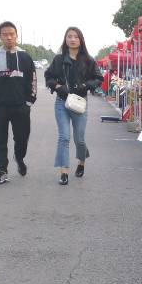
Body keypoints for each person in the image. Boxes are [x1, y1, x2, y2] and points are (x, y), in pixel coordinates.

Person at [0, 21, 37, 185]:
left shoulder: (25, 57)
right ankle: (2, 170)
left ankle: (19, 158)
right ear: (0, 37)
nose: (9, 37)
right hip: (1, 106)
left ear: (16, 36)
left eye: (12, 34)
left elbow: (32, 81)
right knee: (0, 140)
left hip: (21, 106)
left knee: (22, 138)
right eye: (5, 34)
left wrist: (29, 102)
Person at [44, 26, 102, 185]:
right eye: (69, 36)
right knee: (64, 137)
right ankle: (64, 172)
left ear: (81, 40)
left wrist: (86, 85)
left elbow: (98, 78)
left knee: (79, 139)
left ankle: (81, 162)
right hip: (62, 102)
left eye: (76, 36)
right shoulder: (58, 59)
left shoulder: (88, 60)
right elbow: (48, 76)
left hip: (80, 104)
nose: (72, 39)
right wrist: (57, 86)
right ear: (65, 39)